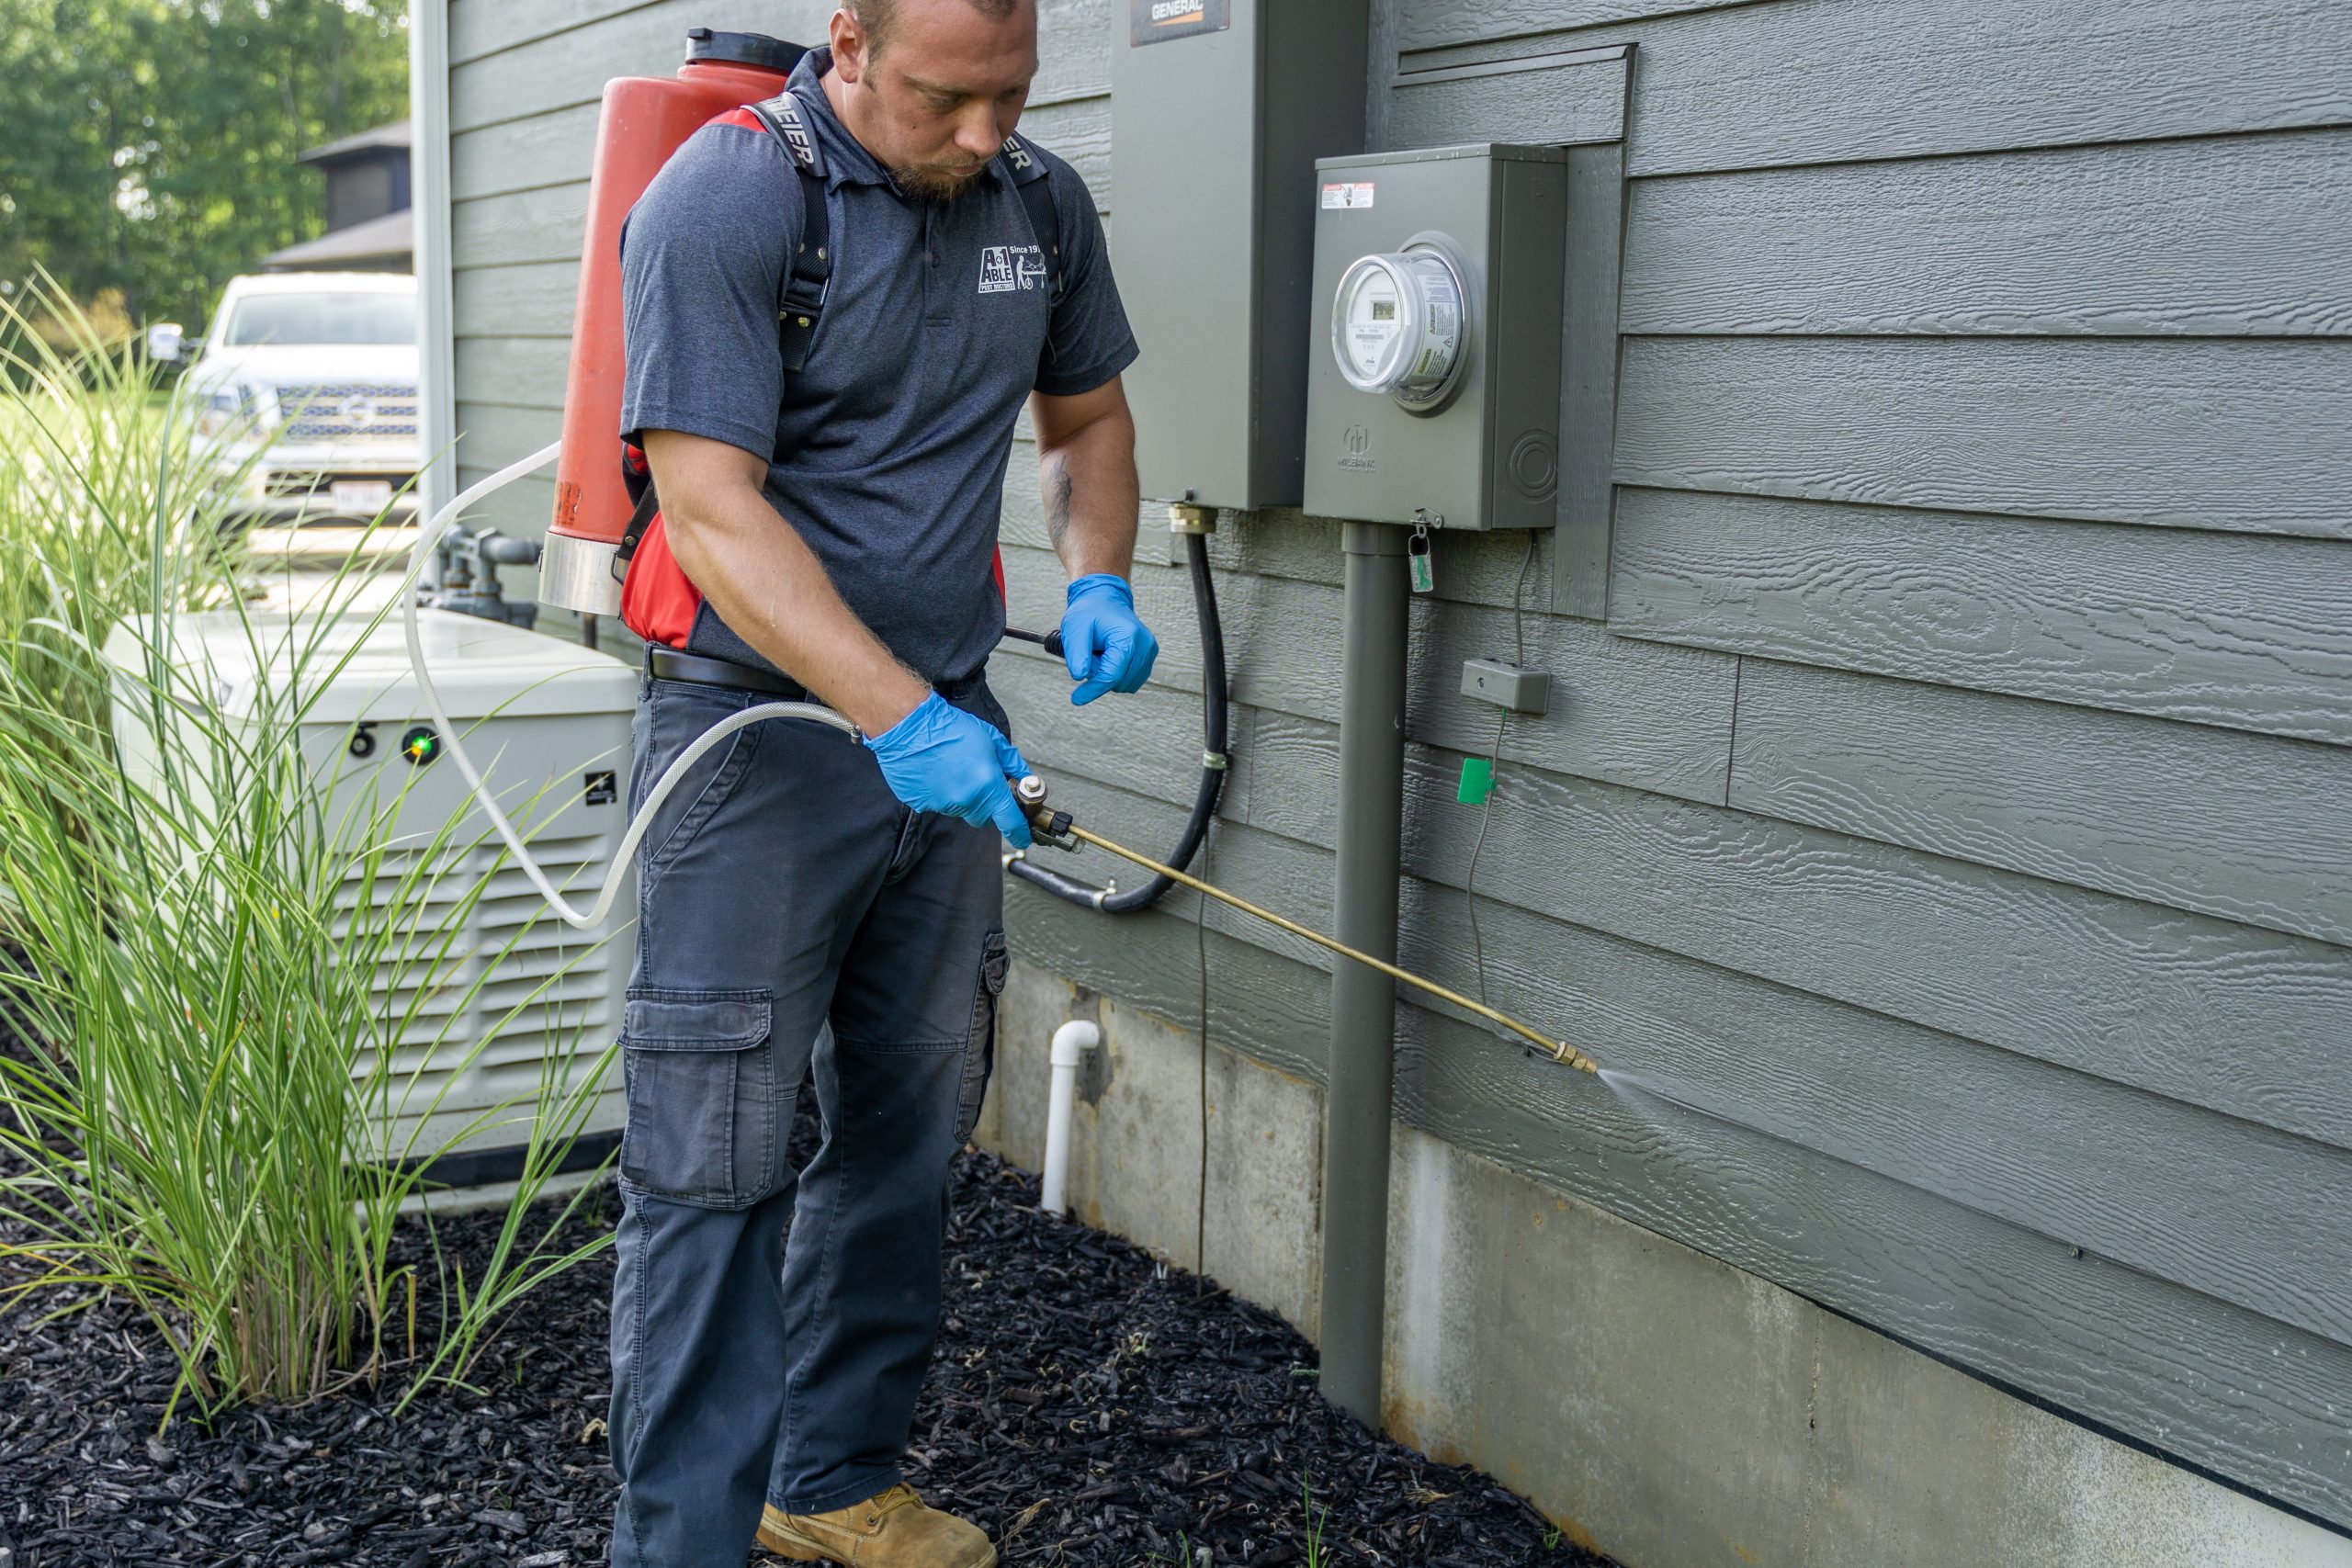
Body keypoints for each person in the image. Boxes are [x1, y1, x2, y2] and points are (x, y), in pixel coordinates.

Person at [604, 1, 1155, 1563]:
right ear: (848, 41)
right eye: (947, 98)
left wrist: (1097, 572)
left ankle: (827, 1479)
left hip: (944, 747)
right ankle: (680, 1546)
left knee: (908, 1125)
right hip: (756, 750)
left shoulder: (1036, 204)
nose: (987, 134)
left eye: (1015, 94)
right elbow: (709, 510)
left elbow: (1089, 418)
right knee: (712, 1164)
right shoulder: (730, 199)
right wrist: (902, 715)